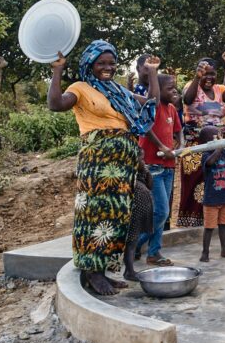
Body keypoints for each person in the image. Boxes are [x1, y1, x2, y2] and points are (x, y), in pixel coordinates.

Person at [48, 41, 160, 295]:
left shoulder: (117, 91)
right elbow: (55, 104)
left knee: (117, 217)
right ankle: (91, 272)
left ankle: (104, 271)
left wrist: (152, 72)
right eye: (102, 63)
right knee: (95, 215)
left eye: (111, 63)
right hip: (98, 164)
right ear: (90, 64)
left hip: (123, 165)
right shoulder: (81, 88)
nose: (107, 67)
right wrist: (57, 70)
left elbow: (151, 102)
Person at [178, 58, 225, 227]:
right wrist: (197, 78)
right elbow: (187, 100)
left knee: (215, 180)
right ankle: (192, 224)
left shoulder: (220, 89)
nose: (208, 77)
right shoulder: (191, 85)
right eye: (204, 73)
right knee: (194, 182)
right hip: (194, 144)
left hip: (217, 143)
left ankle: (213, 223)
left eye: (212, 73)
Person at [136, 74, 183, 266]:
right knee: (161, 212)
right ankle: (138, 245)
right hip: (152, 166)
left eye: (175, 88)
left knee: (161, 212)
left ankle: (147, 251)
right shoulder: (151, 108)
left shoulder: (171, 109)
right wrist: (162, 148)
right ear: (159, 90)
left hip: (168, 166)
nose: (175, 92)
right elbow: (145, 128)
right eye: (170, 88)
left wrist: (180, 143)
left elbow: (178, 129)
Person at [199, 125, 225, 262]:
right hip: (211, 200)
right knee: (209, 228)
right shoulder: (206, 155)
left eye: (220, 137)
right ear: (207, 142)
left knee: (223, 226)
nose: (219, 139)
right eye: (216, 137)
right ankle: (205, 252)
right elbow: (210, 162)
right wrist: (219, 147)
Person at [123, 153, 154, 281]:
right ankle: (129, 271)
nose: (144, 160)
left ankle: (129, 270)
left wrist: (146, 170)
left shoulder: (141, 172)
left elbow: (150, 185)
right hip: (134, 213)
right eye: (141, 158)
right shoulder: (129, 175)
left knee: (134, 241)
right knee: (131, 241)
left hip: (142, 212)